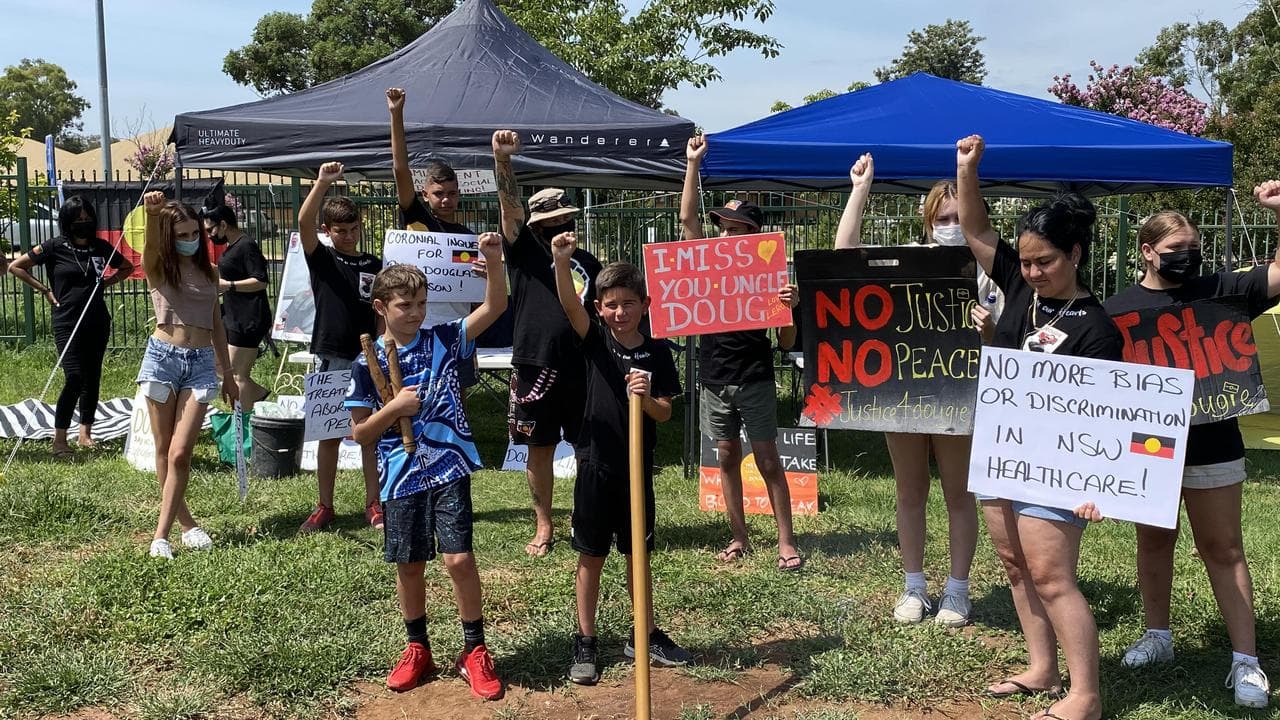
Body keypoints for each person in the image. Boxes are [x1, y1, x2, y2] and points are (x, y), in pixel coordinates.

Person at [956, 134, 1120, 720]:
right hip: (1001, 450)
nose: (1031, 270)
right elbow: (977, 232)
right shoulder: (1023, 289)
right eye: (1025, 261)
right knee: (1014, 565)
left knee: (1052, 575)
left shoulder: (1097, 329)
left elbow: (1107, 418)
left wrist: (1096, 484)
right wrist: (966, 171)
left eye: (1044, 261)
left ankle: (1086, 696)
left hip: (1060, 468)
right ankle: (1041, 668)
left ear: (1075, 254)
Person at [1100, 187, 1280, 708]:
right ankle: (1158, 636)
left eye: (1193, 247)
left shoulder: (1223, 289)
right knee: (1154, 543)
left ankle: (1246, 660)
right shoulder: (1116, 311)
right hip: (1148, 449)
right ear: (1147, 251)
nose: (1188, 256)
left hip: (1214, 443)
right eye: (1176, 247)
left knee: (1224, 548)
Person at [832, 154, 992, 626]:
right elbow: (845, 259)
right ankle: (914, 587)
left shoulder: (989, 269)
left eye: (959, 218)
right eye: (942, 218)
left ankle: (958, 591)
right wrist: (859, 189)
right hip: (904, 393)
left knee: (960, 494)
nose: (950, 225)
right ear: (928, 221)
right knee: (910, 492)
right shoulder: (908, 256)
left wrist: (991, 328)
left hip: (962, 393)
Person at [345, 239, 507, 700]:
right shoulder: (366, 362)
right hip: (400, 473)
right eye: (405, 305)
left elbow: (496, 305)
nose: (416, 313)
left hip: (449, 465)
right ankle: (418, 647)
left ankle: (474, 649)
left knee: (458, 558)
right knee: (410, 564)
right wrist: (394, 407)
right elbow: (360, 434)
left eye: (421, 303)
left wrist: (493, 263)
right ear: (381, 307)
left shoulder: (444, 338)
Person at [549, 232, 692, 684]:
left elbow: (666, 413)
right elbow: (570, 304)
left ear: (645, 305)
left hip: (637, 466)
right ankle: (586, 640)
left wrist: (647, 398)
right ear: (599, 309)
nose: (620, 312)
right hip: (596, 461)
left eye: (628, 303)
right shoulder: (594, 340)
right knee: (591, 555)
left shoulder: (658, 351)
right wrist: (560, 259)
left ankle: (643, 633)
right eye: (610, 304)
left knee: (637, 556)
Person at [681, 135, 802, 572]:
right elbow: (687, 220)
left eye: (735, 229)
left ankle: (786, 541)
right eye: (723, 227)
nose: (726, 234)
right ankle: (739, 536)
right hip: (714, 376)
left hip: (754, 375)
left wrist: (788, 310)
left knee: (768, 457)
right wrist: (693, 164)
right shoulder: (705, 265)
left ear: (753, 234)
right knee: (727, 455)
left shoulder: (769, 277)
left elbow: (786, 343)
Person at [492, 129, 603, 557]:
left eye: (568, 223)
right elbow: (510, 208)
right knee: (537, 447)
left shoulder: (590, 263)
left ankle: (584, 515)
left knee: (587, 446)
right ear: (536, 229)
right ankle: (543, 523)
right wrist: (502, 160)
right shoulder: (523, 253)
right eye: (552, 226)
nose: (563, 231)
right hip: (535, 363)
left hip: (583, 365)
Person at [137, 191, 238, 560]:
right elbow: (148, 247)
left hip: (200, 364)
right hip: (162, 359)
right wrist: (151, 214)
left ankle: (166, 532)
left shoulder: (210, 272)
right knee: (164, 450)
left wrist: (227, 374)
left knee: (181, 453)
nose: (190, 239)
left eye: (194, 232)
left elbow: (217, 325)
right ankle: (179, 528)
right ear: (168, 236)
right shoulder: (160, 267)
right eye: (180, 234)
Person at [297, 162, 384, 532]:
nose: (348, 236)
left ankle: (374, 503)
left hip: (366, 357)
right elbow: (303, 223)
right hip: (331, 354)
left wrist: (381, 344)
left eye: (353, 229)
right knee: (329, 432)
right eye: (340, 231)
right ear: (327, 231)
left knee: (368, 433)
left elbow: (381, 306)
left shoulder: (373, 262)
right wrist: (321, 183)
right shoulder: (322, 256)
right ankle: (324, 505)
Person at [9, 195, 132, 456]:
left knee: (93, 376)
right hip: (66, 321)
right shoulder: (54, 247)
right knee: (74, 376)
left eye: (87, 219)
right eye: (77, 220)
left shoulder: (101, 247)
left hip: (97, 320)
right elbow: (16, 266)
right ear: (67, 222)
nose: (83, 224)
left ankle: (85, 433)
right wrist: (45, 290)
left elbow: (126, 267)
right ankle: (60, 438)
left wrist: (106, 284)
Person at [387, 87, 486, 392]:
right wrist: (396, 114)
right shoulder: (416, 218)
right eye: (439, 194)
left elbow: (478, 296)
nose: (446, 200)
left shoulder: (468, 240)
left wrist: (485, 275)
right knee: (414, 396)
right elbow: (400, 169)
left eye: (452, 194)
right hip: (416, 328)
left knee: (457, 398)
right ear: (425, 195)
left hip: (455, 332)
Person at [202, 204, 271, 411]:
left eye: (210, 230)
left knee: (237, 375)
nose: (210, 236)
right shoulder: (233, 247)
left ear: (223, 224)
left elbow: (261, 281)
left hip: (249, 318)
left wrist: (229, 285)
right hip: (233, 316)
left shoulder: (246, 245)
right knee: (222, 367)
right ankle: (256, 395)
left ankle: (242, 423)